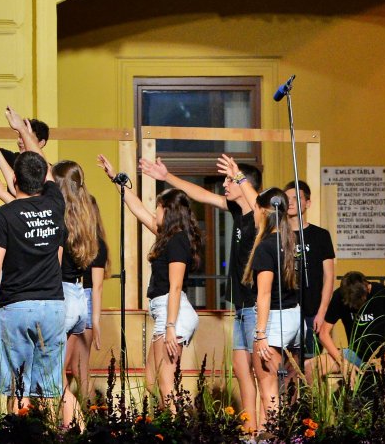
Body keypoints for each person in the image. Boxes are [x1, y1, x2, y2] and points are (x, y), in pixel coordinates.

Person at [142, 153, 262, 425]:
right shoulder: (236, 211)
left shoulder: (259, 214)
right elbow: (200, 194)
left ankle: (266, 432)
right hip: (242, 305)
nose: (224, 185)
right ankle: (252, 432)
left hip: (257, 306)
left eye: (229, 181)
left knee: (261, 374)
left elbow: (256, 203)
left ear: (244, 185)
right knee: (243, 373)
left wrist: (239, 176)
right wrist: (167, 177)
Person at [100, 155, 200, 399]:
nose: (154, 211)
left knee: (165, 384)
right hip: (165, 311)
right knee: (152, 382)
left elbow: (175, 287)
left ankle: (180, 434)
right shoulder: (168, 235)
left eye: (158, 206)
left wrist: (170, 327)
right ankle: (172, 428)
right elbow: (136, 209)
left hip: (172, 313)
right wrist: (116, 179)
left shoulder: (178, 242)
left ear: (168, 211)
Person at [0, 151, 67, 410]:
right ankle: (52, 438)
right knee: (50, 390)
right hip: (52, 305)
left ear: (13, 178)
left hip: (15, 306)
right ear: (43, 179)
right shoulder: (56, 204)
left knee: (18, 390)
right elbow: (48, 173)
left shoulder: (3, 215)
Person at [52, 159, 106, 427]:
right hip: (77, 297)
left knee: (56, 376)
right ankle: (67, 427)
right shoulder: (85, 220)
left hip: (62, 295)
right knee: (61, 373)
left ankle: (80, 426)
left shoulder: (59, 217)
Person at [319, 271, 385, 407]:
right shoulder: (340, 295)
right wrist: (342, 362)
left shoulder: (383, 294)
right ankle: (316, 422)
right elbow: (324, 333)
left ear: (367, 288)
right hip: (356, 355)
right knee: (312, 366)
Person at [248, 196, 306, 421]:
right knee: (288, 391)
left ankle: (272, 437)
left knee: (268, 390)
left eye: (255, 209)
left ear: (263, 212)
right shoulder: (291, 242)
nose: (254, 214)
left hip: (274, 321)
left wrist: (261, 333)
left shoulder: (265, 247)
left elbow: (264, 293)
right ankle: (280, 434)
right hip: (295, 318)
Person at [284, 181, 337, 369]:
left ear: (307, 203)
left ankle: (309, 399)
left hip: (313, 311)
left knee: (310, 365)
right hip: (285, 309)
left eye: (296, 198)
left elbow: (329, 276)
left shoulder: (321, 235)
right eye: (287, 198)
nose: (290, 202)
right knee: (286, 365)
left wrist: (322, 312)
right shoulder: (277, 236)